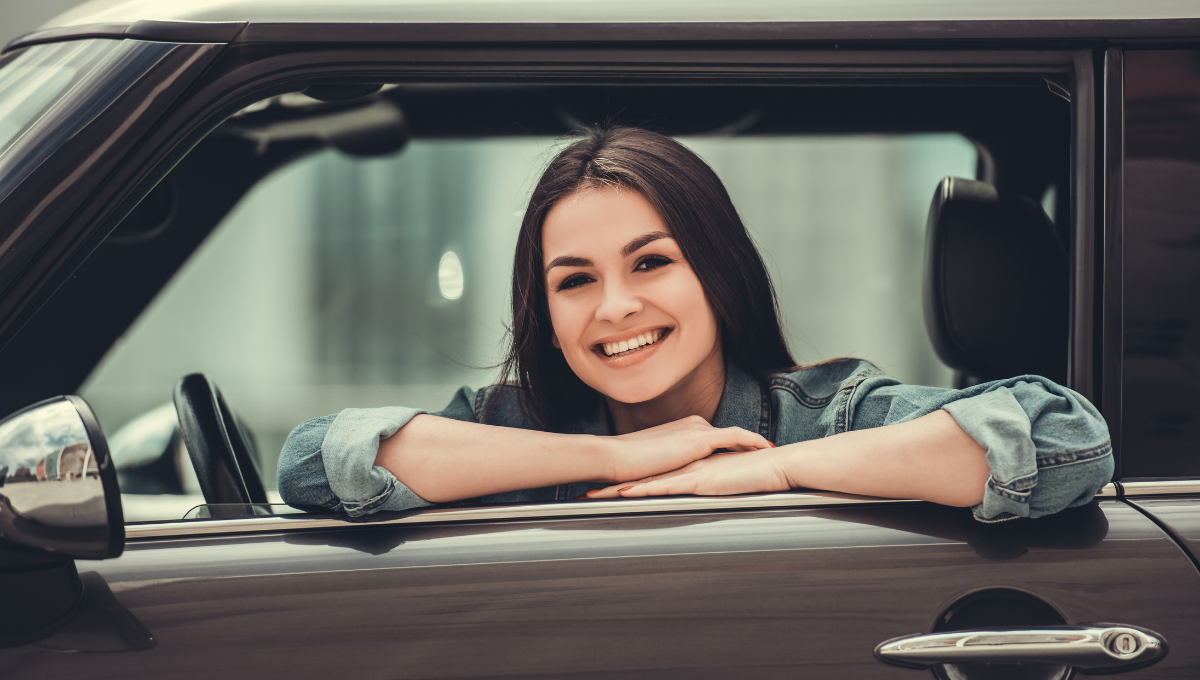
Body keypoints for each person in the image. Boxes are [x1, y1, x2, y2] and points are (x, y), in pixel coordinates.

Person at [278, 126, 1112, 523]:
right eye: (574, 281)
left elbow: (1067, 439)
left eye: (651, 262)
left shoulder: (835, 412)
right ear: (547, 313)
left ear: (717, 272)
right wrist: (617, 455)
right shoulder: (507, 427)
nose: (614, 307)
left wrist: (772, 472)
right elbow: (316, 463)